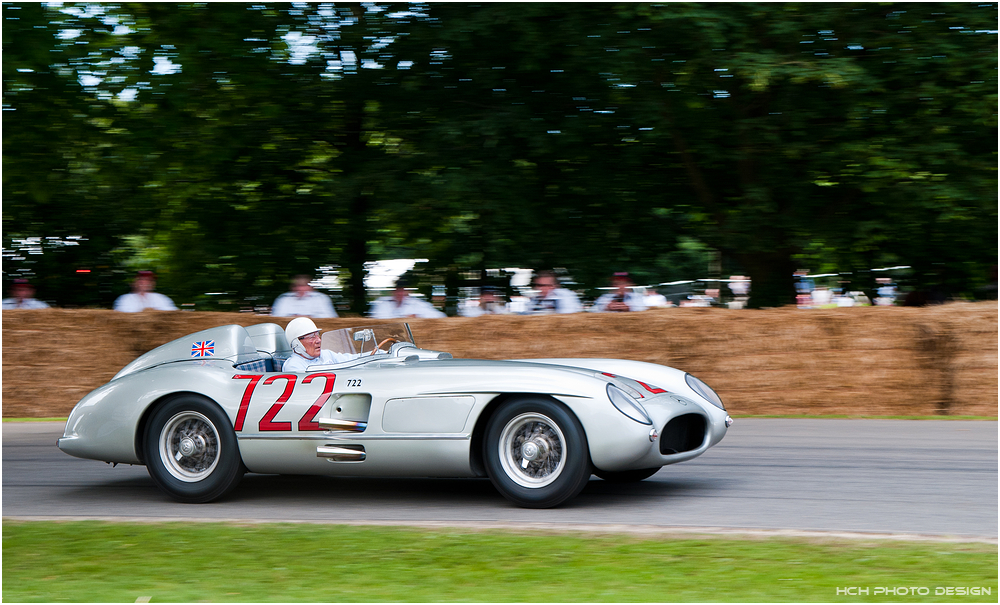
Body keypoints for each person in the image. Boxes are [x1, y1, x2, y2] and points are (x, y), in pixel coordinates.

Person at [282, 317, 360, 372]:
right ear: (296, 344)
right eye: (311, 337)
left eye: (317, 335)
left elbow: (351, 359)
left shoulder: (326, 354)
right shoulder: (293, 366)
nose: (319, 340)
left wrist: (371, 354)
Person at [369, 276, 446, 319]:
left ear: (408, 292)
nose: (400, 293)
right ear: (393, 291)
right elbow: (377, 319)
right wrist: (404, 318)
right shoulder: (382, 303)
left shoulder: (417, 304)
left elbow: (440, 317)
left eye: (403, 290)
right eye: (398, 290)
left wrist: (417, 316)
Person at [271, 275, 338, 318]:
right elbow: (276, 317)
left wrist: (306, 317)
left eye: (303, 286)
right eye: (297, 286)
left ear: (310, 287)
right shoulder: (284, 299)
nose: (300, 288)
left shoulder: (321, 298)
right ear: (292, 287)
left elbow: (330, 317)